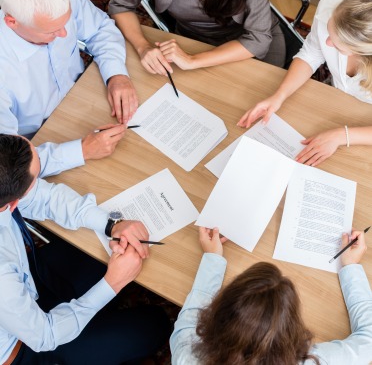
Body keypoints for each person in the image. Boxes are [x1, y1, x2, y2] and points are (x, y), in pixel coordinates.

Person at [0, 134, 170, 364]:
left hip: (27, 284)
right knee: (155, 324)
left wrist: (111, 225)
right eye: (33, 185)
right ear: (11, 205)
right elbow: (45, 335)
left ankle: (96, 312)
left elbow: (46, 198)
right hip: (26, 348)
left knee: (97, 255)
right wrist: (114, 282)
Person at [170, 226, 372, 364]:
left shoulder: (187, 354)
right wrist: (351, 266)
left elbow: (191, 316)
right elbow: (369, 339)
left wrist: (213, 257)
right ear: (290, 328)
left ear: (218, 310)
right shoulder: (313, 360)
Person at [0, 0, 139, 178]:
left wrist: (116, 74)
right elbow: (7, 164)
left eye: (66, 22)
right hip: (40, 143)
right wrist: (81, 151)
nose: (64, 34)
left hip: (84, 96)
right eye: (51, 31)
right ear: (12, 22)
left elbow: (100, 28)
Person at [238, 0, 372, 167]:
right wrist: (279, 95)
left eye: (338, 44)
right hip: (334, 102)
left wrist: (341, 136)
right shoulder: (332, 6)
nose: (328, 43)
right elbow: (312, 53)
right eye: (330, 31)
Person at [108, 0, 286, 76]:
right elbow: (120, 6)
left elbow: (258, 39)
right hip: (192, 40)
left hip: (249, 45)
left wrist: (193, 61)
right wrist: (143, 47)